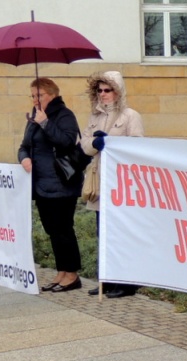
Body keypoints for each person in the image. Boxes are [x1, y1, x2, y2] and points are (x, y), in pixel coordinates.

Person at [79, 71, 145, 298]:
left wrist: (111, 142)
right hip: (100, 180)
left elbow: (135, 149)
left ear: (118, 91)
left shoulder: (130, 116)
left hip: (120, 183)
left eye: (108, 90)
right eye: (99, 90)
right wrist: (96, 142)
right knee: (103, 233)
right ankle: (106, 280)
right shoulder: (95, 116)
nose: (103, 94)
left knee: (120, 234)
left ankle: (127, 283)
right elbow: (85, 144)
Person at [18, 78, 84, 293]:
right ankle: (62, 271)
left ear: (52, 95)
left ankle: (72, 274)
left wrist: (46, 123)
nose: (36, 99)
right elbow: (24, 146)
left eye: (40, 95)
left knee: (63, 229)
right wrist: (23, 158)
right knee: (52, 230)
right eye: (33, 96)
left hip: (62, 183)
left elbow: (66, 142)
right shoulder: (34, 117)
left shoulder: (64, 115)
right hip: (41, 184)